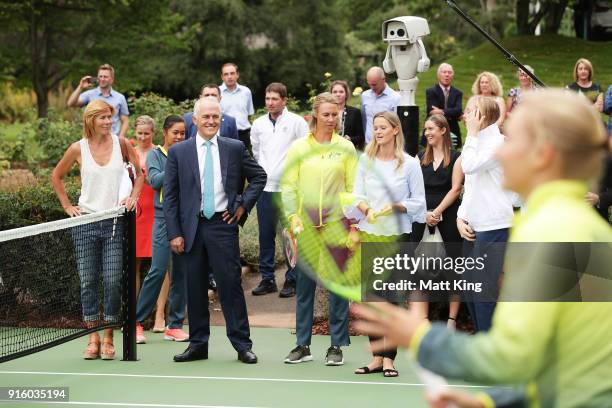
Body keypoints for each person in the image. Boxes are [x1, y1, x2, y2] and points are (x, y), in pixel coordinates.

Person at [353, 89, 612, 408]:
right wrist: (489, 402)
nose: (501, 152)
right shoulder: (586, 228)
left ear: (543, 154)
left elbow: (511, 358)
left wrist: (419, 336)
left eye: (511, 141)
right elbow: (571, 363)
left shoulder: (553, 231)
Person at [163, 97, 266, 364]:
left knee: (230, 285)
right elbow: (171, 196)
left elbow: (259, 176)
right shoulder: (179, 152)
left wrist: (242, 205)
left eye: (215, 117)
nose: (211, 121)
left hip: (223, 226)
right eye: (205, 117)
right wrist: (174, 232)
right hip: (191, 229)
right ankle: (198, 344)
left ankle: (242, 345)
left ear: (221, 120)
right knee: (195, 288)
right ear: (194, 120)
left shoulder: (234, 147)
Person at [51, 99, 144, 360]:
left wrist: (133, 197)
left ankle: (108, 336)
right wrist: (68, 205)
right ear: (90, 120)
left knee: (113, 281)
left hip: (114, 223)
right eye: (102, 117)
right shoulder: (77, 148)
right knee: (88, 281)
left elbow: (140, 174)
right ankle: (92, 338)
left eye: (109, 117)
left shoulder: (122, 144)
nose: (107, 122)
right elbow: (56, 176)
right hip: (85, 224)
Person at [281, 92, 357, 366]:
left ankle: (336, 345)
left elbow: (352, 189)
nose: (330, 119)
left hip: (337, 225)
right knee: (304, 286)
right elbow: (288, 185)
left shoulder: (346, 148)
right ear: (315, 115)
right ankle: (302, 344)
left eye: (335, 114)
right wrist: (293, 218)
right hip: (307, 227)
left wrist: (353, 225)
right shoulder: (300, 147)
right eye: (325, 114)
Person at [352, 111, 426, 377]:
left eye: (383, 127)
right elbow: (356, 194)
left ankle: (389, 360)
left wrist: (396, 206)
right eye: (376, 128)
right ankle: (375, 357)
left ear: (395, 130)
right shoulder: (365, 161)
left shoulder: (409, 164)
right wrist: (365, 208)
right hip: (371, 235)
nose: (378, 132)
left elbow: (419, 203)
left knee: (392, 297)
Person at [456, 96, 513, 332]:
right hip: (472, 225)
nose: (465, 115)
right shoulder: (476, 142)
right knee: (469, 290)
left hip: (494, 225)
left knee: (483, 291)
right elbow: (471, 186)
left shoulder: (498, 144)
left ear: (483, 116)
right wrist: (460, 216)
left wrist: (470, 135)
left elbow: (468, 166)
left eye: (471, 111)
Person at [249, 83, 309, 297]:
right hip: (265, 190)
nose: (270, 103)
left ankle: (292, 279)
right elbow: (256, 152)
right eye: (267, 99)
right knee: (265, 235)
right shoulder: (258, 124)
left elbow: (305, 153)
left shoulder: (296, 123)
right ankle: (267, 279)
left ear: (284, 100)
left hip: (289, 190)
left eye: (275, 99)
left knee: (290, 235)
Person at [135, 115, 188, 344]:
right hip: (163, 217)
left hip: (185, 219)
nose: (179, 137)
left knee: (181, 273)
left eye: (182, 133)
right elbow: (155, 181)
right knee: (157, 270)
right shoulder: (157, 155)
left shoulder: (189, 153)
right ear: (165, 133)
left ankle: (174, 325)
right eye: (175, 132)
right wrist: (176, 164)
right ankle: (136, 322)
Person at [411, 114, 464, 328]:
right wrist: (425, 214)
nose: (427, 133)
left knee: (453, 269)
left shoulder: (458, 157)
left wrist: (438, 211)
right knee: (419, 270)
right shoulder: (419, 157)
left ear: (443, 130)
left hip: (449, 217)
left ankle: (452, 321)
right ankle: (422, 320)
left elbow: (456, 188)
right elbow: (414, 190)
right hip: (422, 218)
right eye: (425, 130)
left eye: (431, 129)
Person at [67, 63, 130, 138]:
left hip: (113, 140)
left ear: (112, 80)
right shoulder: (89, 95)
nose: (102, 79)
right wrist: (80, 87)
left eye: (105, 77)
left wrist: (120, 137)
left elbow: (125, 121)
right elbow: (71, 103)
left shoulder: (120, 98)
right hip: (92, 140)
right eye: (100, 76)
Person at [133, 116, 156, 298]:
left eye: (146, 133)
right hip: (135, 212)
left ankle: (159, 316)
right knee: (134, 264)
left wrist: (144, 177)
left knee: (159, 265)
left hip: (156, 211)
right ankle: (134, 316)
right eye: (139, 133)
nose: (142, 137)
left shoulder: (159, 153)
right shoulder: (130, 153)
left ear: (153, 133)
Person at [425, 63, 463, 148]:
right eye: (444, 72)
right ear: (438, 75)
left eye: (449, 72)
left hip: (453, 130)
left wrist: (441, 111)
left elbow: (458, 110)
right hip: (434, 130)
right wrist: (451, 112)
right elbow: (432, 111)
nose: (447, 75)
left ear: (453, 75)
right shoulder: (431, 91)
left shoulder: (458, 93)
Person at [219, 63, 255, 152]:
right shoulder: (217, 92)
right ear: (222, 77)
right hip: (225, 135)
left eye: (232, 73)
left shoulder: (246, 91)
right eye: (226, 74)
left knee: (245, 163)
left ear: (237, 75)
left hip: (244, 134)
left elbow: (249, 115)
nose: (229, 76)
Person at [361, 66, 401, 145]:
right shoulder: (365, 96)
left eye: (375, 84)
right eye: (370, 84)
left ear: (383, 80)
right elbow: (364, 120)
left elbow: (397, 124)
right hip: (368, 145)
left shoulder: (396, 98)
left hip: (386, 145)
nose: (372, 87)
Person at [330, 80, 365, 150]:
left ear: (346, 94)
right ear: (330, 94)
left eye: (341, 92)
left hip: (348, 152)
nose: (338, 94)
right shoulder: (326, 112)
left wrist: (350, 139)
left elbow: (361, 136)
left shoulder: (355, 112)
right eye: (335, 92)